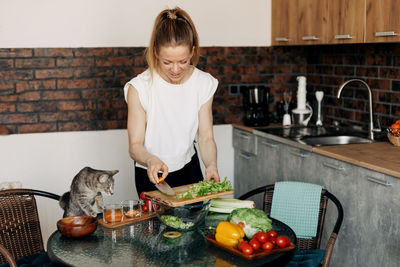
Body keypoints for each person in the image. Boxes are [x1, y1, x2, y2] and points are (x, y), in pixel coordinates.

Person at [123, 7, 220, 196]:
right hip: (151, 173)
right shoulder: (140, 88)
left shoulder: (203, 83)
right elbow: (135, 145)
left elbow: (205, 137)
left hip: (189, 168)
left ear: (192, 52)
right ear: (156, 53)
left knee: (194, 223)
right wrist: (150, 160)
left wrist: (211, 164)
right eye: (168, 62)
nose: (176, 69)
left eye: (183, 61)